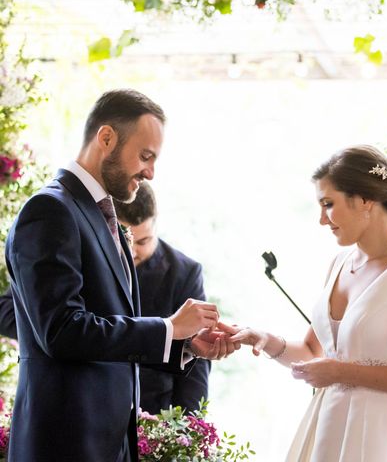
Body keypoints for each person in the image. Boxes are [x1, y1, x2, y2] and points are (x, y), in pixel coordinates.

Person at [4, 89, 232, 461]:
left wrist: (185, 346)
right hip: (64, 445)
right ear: (106, 138)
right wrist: (169, 327)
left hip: (108, 444)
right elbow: (61, 330)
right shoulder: (49, 210)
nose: (150, 172)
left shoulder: (98, 213)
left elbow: (108, 331)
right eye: (145, 156)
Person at [224, 145, 387, 461]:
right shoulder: (339, 263)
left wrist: (341, 373)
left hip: (386, 434)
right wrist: (266, 340)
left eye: (329, 204)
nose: (322, 220)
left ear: (365, 199)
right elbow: (315, 352)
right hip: (330, 426)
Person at [113, 182, 212, 415]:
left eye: (143, 241)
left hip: (154, 412)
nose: (133, 252)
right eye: (125, 241)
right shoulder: (92, 262)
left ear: (156, 225)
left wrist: (186, 429)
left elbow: (196, 358)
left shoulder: (185, 272)